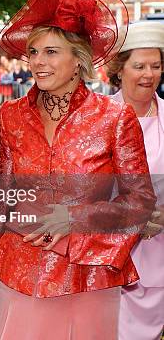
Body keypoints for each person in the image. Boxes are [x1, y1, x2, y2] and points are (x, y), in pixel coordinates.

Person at [0, 0, 155, 339]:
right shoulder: (11, 116)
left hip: (87, 275)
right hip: (19, 269)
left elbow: (139, 202)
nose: (37, 62)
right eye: (33, 52)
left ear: (78, 60)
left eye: (51, 52)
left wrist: (74, 219)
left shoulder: (114, 118)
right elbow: (5, 195)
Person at [107, 21, 164, 340]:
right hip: (113, 264)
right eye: (139, 66)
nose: (149, 74)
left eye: (156, 66)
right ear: (119, 69)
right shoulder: (97, 119)